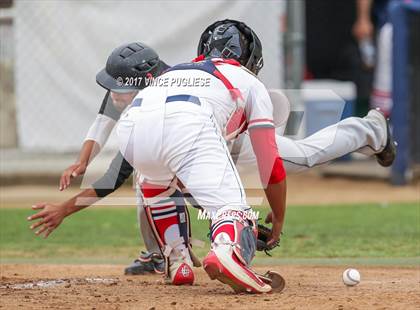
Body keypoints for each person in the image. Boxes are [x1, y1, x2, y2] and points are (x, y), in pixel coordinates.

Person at [29, 20, 396, 292]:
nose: (116, 95)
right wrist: (278, 220)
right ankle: (220, 249)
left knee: (153, 179)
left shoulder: (169, 79)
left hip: (216, 143)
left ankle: (176, 255)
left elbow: (121, 167)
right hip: (201, 139)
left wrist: (70, 199)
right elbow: (271, 167)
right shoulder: (240, 80)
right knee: (232, 208)